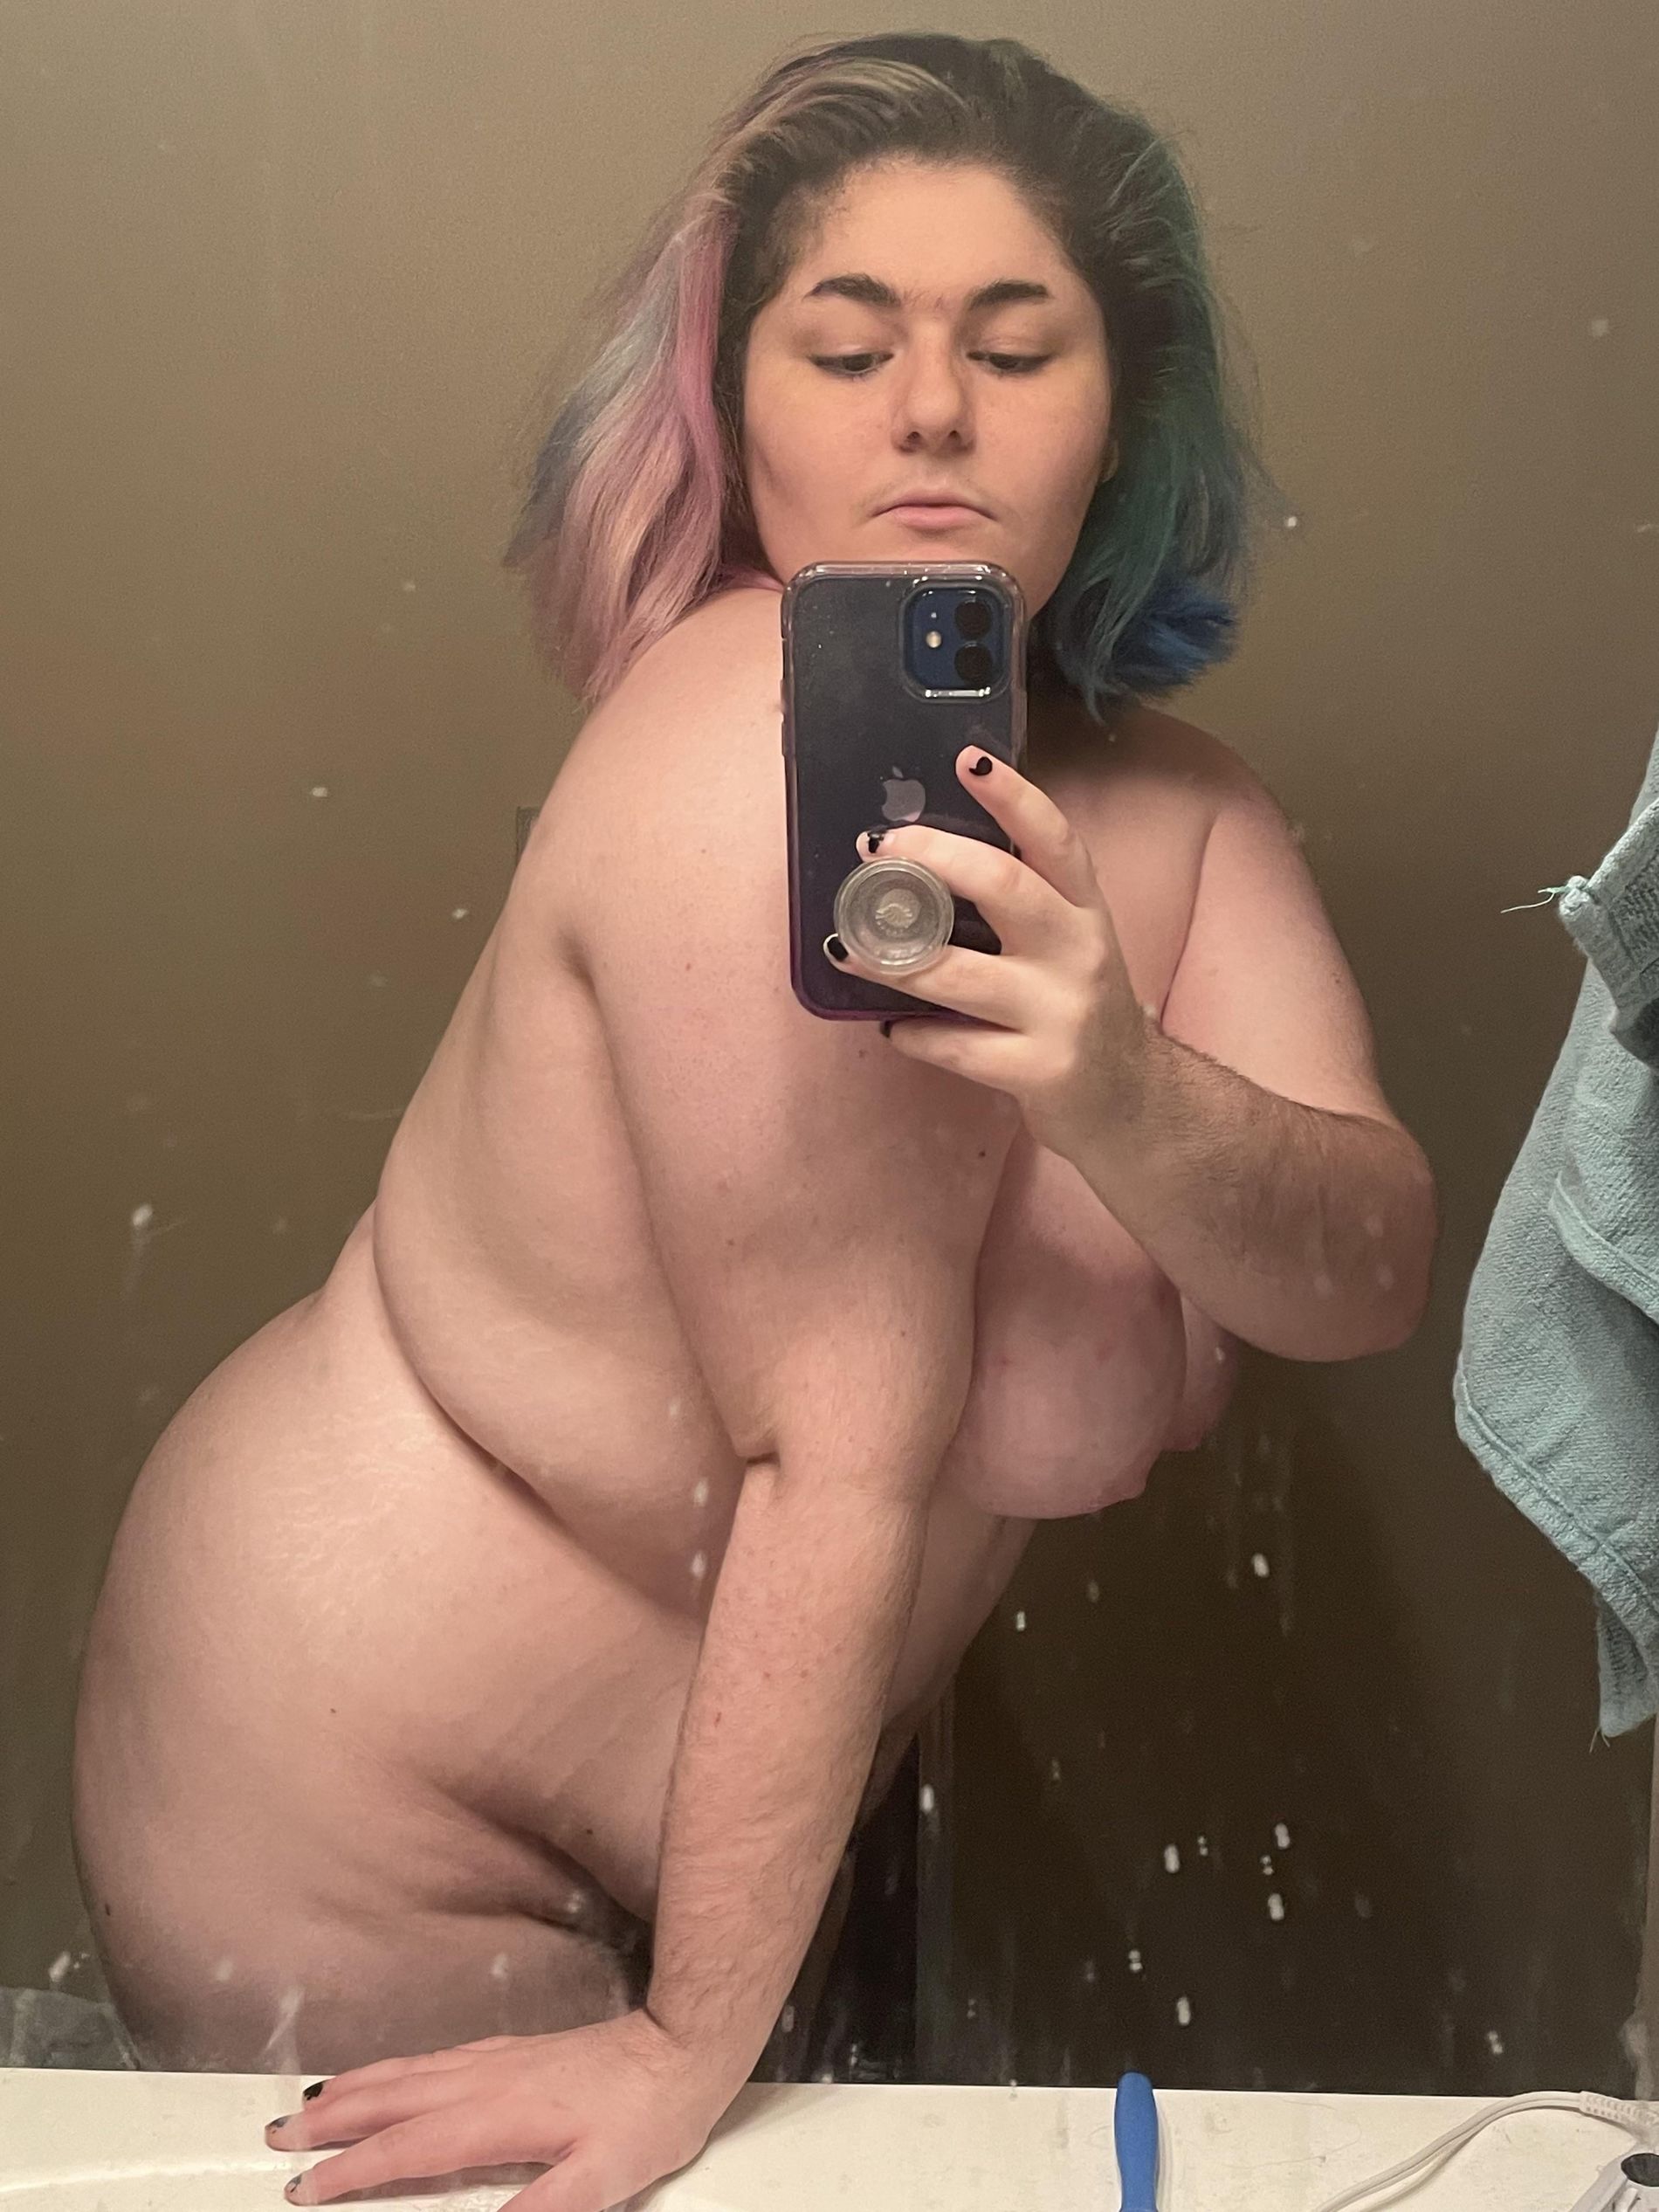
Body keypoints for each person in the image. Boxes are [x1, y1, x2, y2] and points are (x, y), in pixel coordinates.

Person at [70, 31, 1436, 2209]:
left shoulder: (1188, 822)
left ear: (1125, 407)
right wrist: (685, 2040)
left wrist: (1122, 1086)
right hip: (358, 1812)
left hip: (709, 1848)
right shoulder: (735, 749)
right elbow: (837, 1444)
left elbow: (1364, 1269)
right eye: (846, 345)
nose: (929, 410)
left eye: (1015, 346)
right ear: (735, 404)